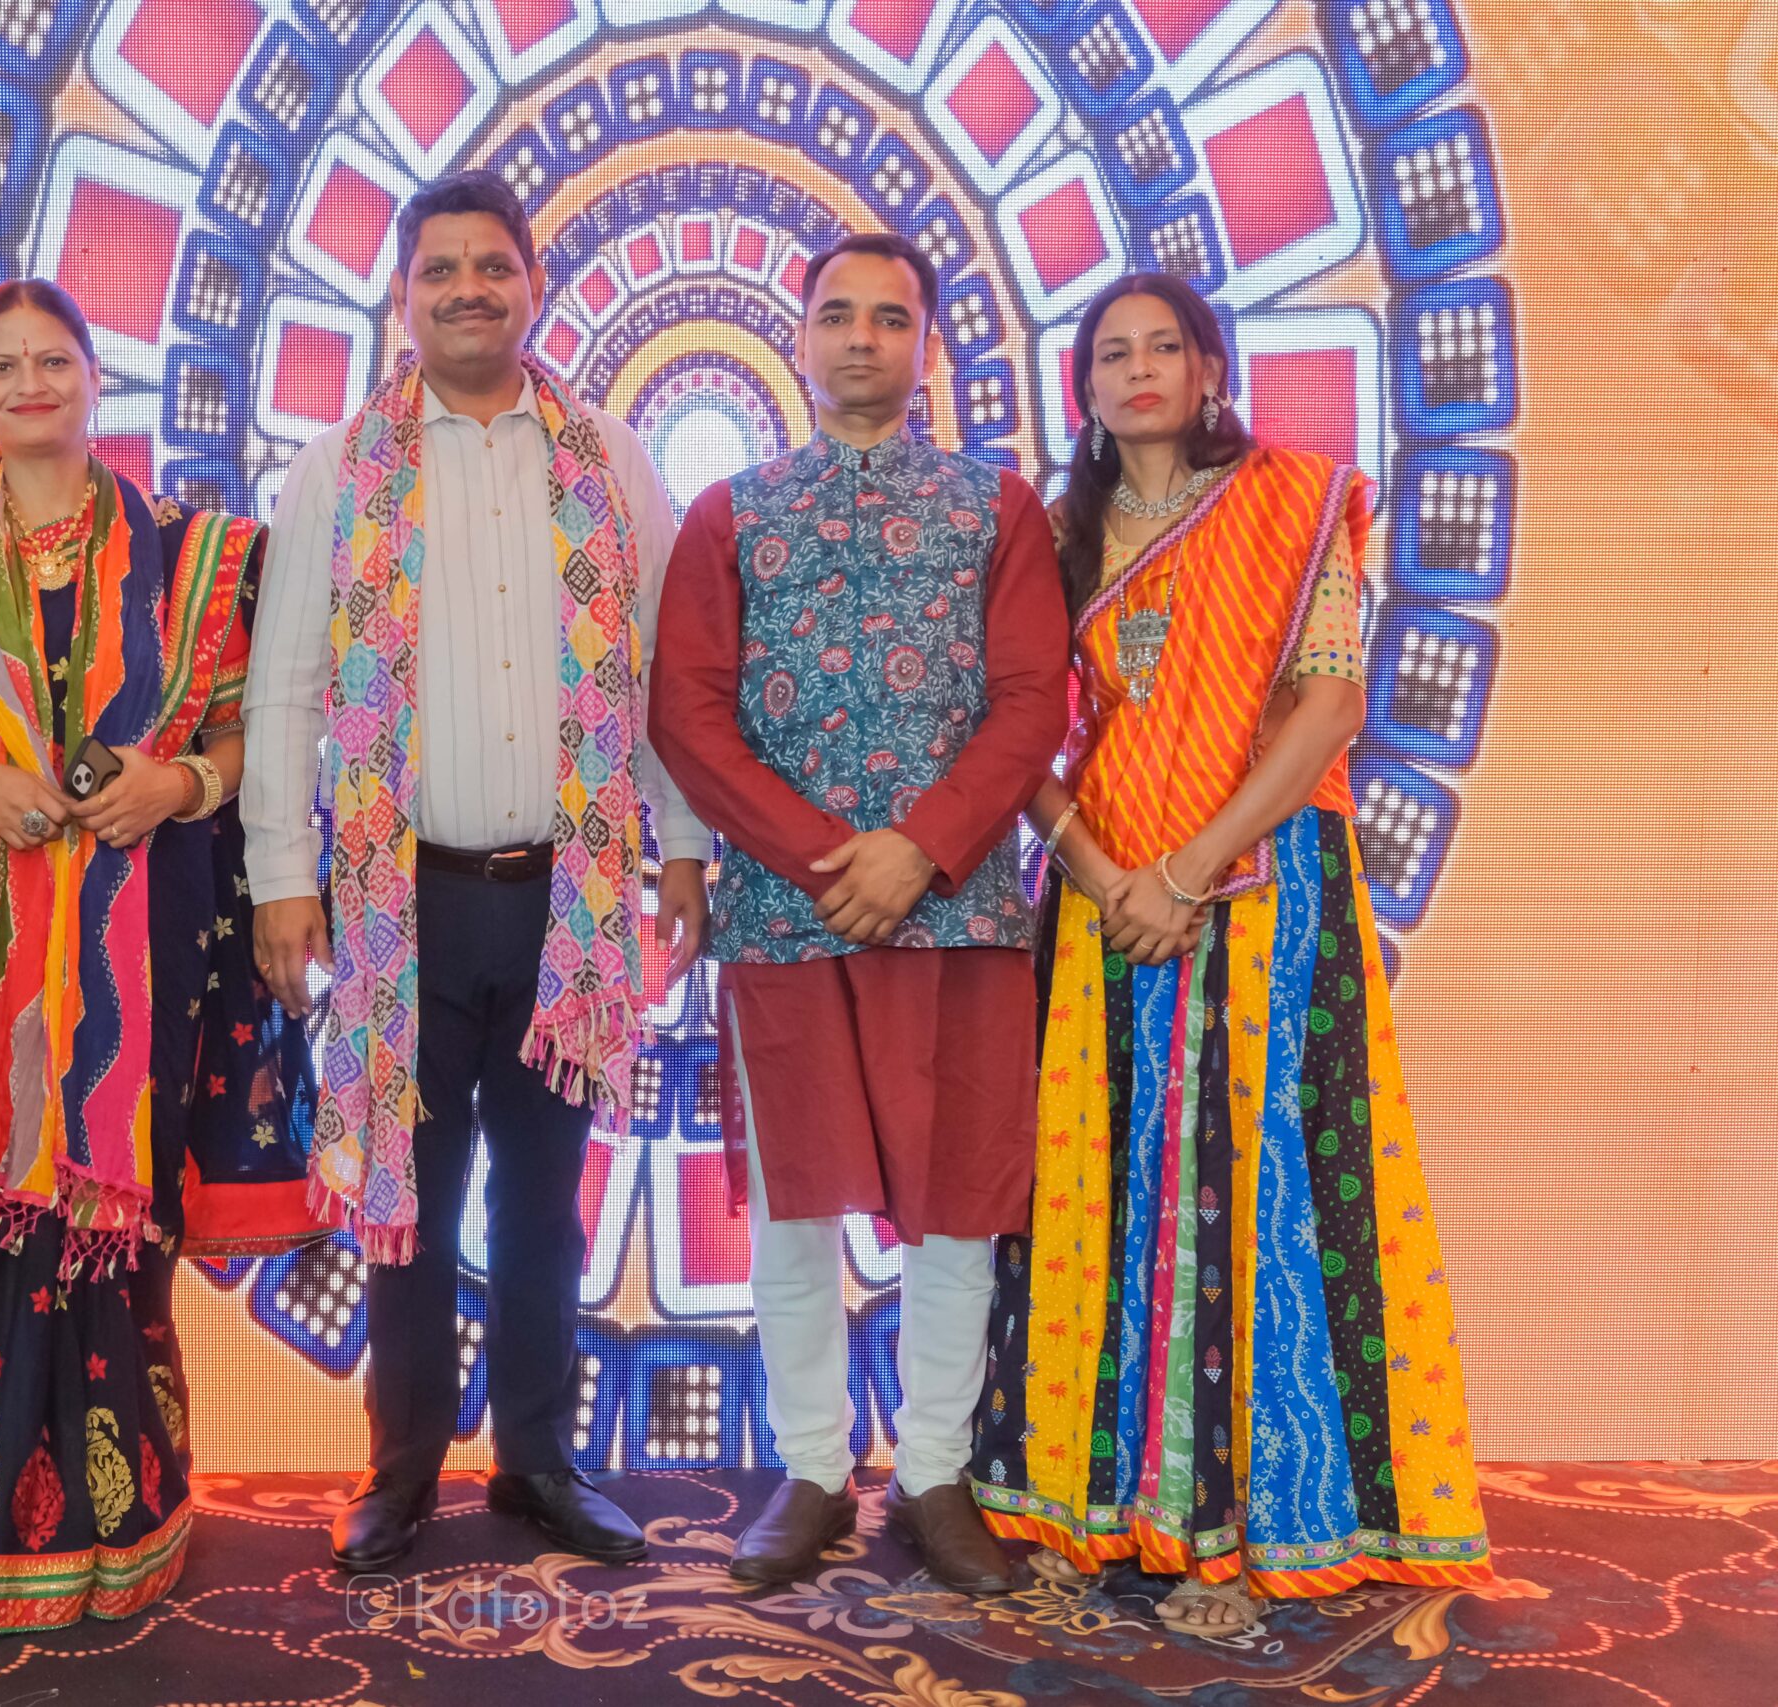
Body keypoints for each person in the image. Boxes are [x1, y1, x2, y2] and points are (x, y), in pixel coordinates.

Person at [968, 272, 1494, 1636]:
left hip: (1263, 881)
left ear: (1210, 368)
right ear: (1084, 386)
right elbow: (1015, 729)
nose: (1139, 369)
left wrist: (1191, 869)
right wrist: (1103, 873)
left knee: (1256, 1187)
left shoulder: (1288, 503)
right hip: (1101, 894)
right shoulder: (1055, 537)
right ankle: (1098, 1500)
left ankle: (1264, 1518)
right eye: (1112, 353)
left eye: (1166, 346)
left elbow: (1330, 706)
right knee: (1108, 1178)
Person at [244, 169, 715, 1574]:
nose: (468, 290)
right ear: (405, 297)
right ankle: (400, 1469)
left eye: (491, 267)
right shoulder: (341, 469)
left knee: (543, 1201)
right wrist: (281, 874)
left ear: (532, 285)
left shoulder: (608, 458)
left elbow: (659, 675)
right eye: (440, 270)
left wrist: (683, 844)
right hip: (405, 905)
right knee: (408, 1193)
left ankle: (540, 1463)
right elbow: (286, 689)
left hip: (572, 900)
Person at [0, 278, 321, 1632]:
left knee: (124, 1212)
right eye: (2, 365)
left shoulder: (193, 552)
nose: (29, 383)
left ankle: (131, 1517)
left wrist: (177, 787)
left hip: (156, 939)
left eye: (52, 359)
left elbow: (252, 734)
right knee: (15, 1219)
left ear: (93, 377)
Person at [649, 234, 1068, 1591]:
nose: (862, 339)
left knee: (960, 1203)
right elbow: (688, 714)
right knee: (793, 1205)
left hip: (961, 915)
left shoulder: (996, 508)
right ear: (802, 338)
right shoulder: (733, 513)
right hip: (786, 916)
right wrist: (833, 862)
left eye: (891, 319)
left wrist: (923, 852)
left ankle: (936, 1474)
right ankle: (815, 1470)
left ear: (925, 344)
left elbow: (1032, 706)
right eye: (838, 315)